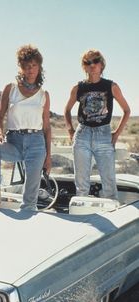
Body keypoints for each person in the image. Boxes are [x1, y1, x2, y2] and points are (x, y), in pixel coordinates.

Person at [0, 44, 51, 210]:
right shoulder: (11, 89)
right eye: (26, 66)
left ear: (39, 67)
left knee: (29, 202)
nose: (30, 69)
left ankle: (28, 221)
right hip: (14, 142)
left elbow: (47, 127)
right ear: (21, 68)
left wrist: (49, 157)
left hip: (36, 144)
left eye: (33, 66)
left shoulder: (44, 95)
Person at [64, 49, 130, 200]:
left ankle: (112, 221)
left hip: (104, 135)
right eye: (88, 62)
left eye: (95, 61)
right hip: (82, 135)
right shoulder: (78, 88)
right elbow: (67, 110)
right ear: (84, 67)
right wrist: (70, 131)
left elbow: (127, 110)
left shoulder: (111, 86)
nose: (92, 65)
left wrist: (116, 134)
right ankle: (83, 219)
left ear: (101, 64)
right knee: (81, 186)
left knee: (109, 184)